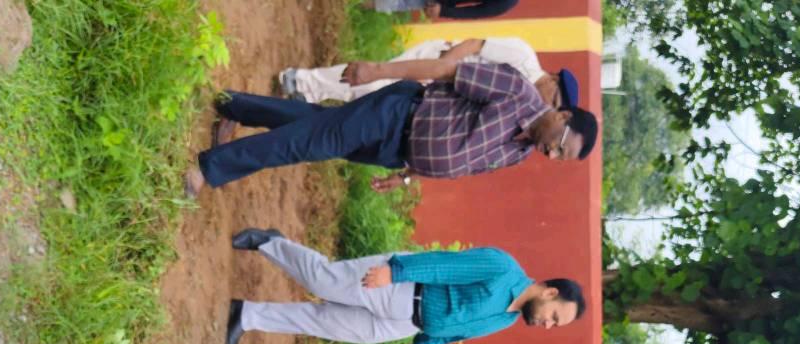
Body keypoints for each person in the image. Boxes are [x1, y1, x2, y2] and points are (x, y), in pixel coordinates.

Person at [185, 59, 598, 195]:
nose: (552, 155)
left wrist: (407, 175)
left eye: (560, 159)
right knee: (308, 144)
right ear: (563, 116)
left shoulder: (519, 153)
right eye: (560, 146)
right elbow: (448, 70)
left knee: (312, 126)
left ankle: (234, 104)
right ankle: (210, 167)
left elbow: (463, 162)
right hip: (398, 113)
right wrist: (377, 70)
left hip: (393, 152)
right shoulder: (516, 90)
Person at [223, 228, 585, 344]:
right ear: (550, 292)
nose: (547, 325)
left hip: (403, 324)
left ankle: (247, 315)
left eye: (554, 326)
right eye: (554, 316)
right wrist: (394, 271)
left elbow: (454, 332)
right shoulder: (503, 268)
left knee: (323, 323)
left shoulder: (506, 320)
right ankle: (269, 242)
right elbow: (444, 265)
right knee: (322, 280)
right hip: (404, 287)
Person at [278, 37, 577, 112]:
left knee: (371, 95)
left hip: (439, 88)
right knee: (371, 83)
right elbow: (474, 44)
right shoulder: (524, 57)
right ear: (553, 80)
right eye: (553, 100)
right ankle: (301, 81)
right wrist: (438, 69)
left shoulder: (524, 101)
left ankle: (308, 91)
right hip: (437, 61)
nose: (547, 106)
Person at [365, 0, 520, 17]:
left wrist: (443, 11)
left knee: (397, 2)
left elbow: (474, 12)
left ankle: (357, 4)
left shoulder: (507, 2)